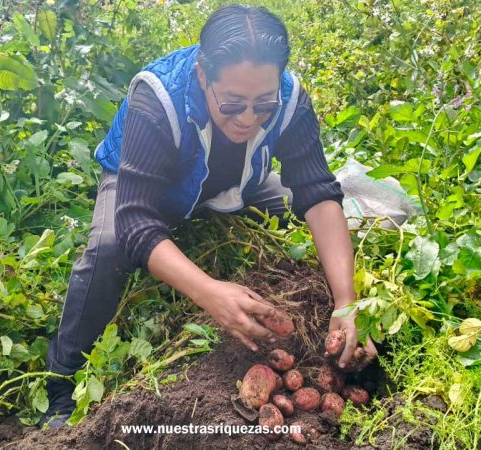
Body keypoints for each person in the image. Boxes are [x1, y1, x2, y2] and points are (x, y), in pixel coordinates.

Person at [42, 4, 378, 428]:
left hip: (238, 182)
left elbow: (317, 193)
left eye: (263, 105)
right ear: (203, 77)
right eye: (233, 103)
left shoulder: (290, 100)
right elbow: (135, 220)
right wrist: (209, 292)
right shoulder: (157, 97)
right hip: (152, 187)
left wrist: (347, 301)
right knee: (110, 245)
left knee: (314, 217)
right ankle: (61, 381)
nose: (249, 119)